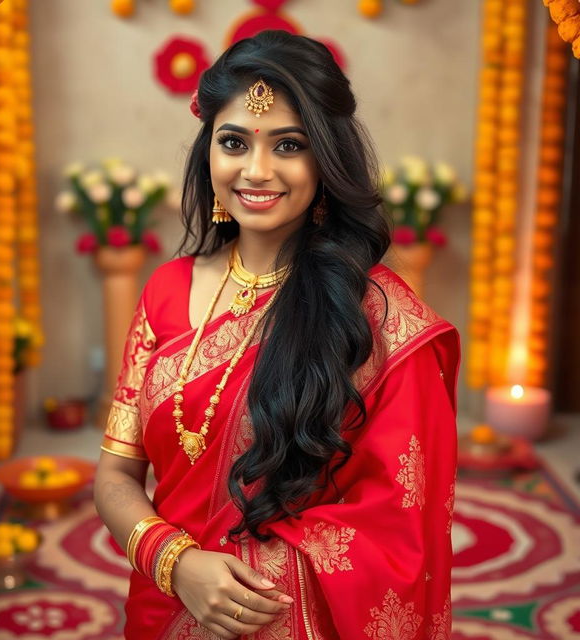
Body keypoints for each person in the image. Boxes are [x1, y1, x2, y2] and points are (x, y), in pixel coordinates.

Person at [94, 29, 460, 640]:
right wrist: (177, 564)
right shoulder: (164, 291)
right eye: (233, 142)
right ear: (207, 151)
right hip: (164, 608)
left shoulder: (377, 317)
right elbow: (114, 476)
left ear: (325, 158)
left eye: (288, 145)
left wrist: (253, 582)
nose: (256, 170)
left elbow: (403, 526)